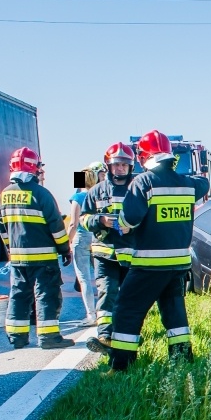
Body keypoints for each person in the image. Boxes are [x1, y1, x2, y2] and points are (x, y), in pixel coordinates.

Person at [106, 130, 209, 371]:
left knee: (127, 309)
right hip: (178, 264)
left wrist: (116, 224)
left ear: (144, 157)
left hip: (149, 263)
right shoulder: (187, 184)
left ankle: (121, 366)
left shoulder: (143, 182)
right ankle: (181, 361)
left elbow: (129, 220)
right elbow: (203, 183)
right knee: (174, 312)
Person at [0, 147, 74, 349]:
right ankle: (49, 337)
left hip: (18, 259)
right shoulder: (41, 194)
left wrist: (11, 249)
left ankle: (17, 337)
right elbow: (57, 227)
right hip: (43, 259)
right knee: (46, 295)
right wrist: (65, 250)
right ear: (34, 168)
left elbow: (2, 227)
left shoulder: (4, 195)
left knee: (19, 295)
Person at [81, 142, 137, 358]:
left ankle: (127, 337)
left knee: (129, 298)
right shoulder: (95, 190)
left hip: (131, 255)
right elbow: (83, 219)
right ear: (108, 166)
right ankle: (105, 337)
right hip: (104, 254)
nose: (120, 168)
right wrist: (100, 220)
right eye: (116, 164)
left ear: (130, 166)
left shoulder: (138, 189)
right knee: (106, 293)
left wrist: (132, 225)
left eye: (124, 165)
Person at [68, 168, 98, 325]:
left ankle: (91, 315)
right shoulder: (97, 195)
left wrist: (66, 242)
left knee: (84, 278)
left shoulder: (77, 197)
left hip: (81, 238)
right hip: (97, 237)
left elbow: (73, 223)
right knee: (101, 277)